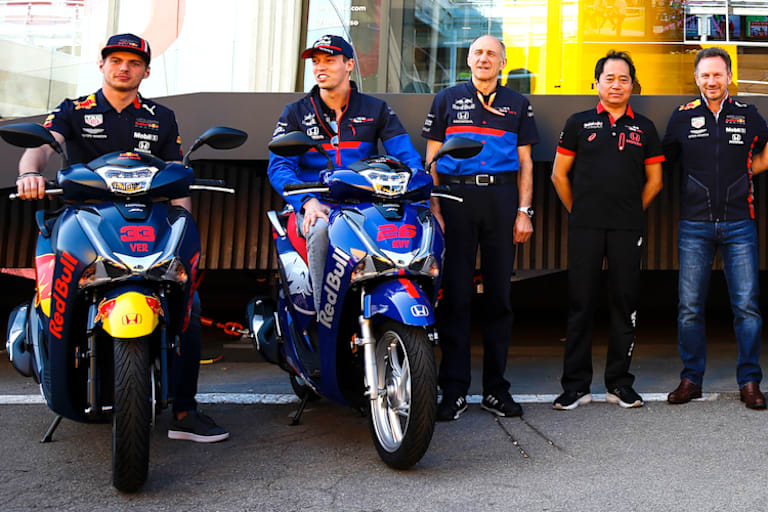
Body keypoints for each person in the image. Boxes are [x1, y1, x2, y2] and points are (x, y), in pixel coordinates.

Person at [15, 33, 229, 441]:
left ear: (145, 71)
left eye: (133, 62)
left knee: (189, 301)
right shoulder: (75, 110)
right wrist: (29, 172)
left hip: (148, 221)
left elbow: (177, 177)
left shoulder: (161, 117)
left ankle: (185, 410)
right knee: (55, 290)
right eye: (115, 60)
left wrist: (183, 225)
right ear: (102, 65)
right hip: (84, 218)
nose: (123, 67)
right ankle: (62, 382)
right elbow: (43, 147)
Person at [422, 35, 538, 421]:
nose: (484, 58)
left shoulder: (518, 104)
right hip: (455, 201)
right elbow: (432, 158)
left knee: (499, 297)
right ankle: (453, 389)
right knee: (455, 295)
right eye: (478, 53)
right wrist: (434, 205)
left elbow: (526, 163)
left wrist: (524, 212)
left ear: (503, 63)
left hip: (501, 201)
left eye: (492, 53)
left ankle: (495, 388)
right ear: (468, 60)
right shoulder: (446, 100)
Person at [267, 34, 422, 313]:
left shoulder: (376, 109)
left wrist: (420, 190)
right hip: (319, 204)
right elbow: (279, 166)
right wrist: (307, 202)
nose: (320, 68)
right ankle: (322, 318)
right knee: (321, 229)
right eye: (316, 62)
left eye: (329, 60)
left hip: (367, 203)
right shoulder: (295, 113)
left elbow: (407, 156)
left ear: (349, 65)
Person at [551, 50, 664, 410]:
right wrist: (581, 210)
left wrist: (629, 211)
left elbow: (655, 181)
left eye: (623, 78)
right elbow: (558, 175)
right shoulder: (577, 122)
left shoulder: (644, 127)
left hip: (627, 228)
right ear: (596, 83)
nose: (616, 84)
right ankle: (575, 386)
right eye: (609, 78)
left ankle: (619, 383)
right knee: (580, 304)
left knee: (624, 303)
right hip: (585, 226)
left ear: (633, 85)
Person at [663, 47, 768, 409]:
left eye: (718, 74)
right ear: (696, 78)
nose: (711, 81)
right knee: (690, 307)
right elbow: (663, 162)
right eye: (705, 75)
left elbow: (765, 149)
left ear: (729, 77)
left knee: (747, 307)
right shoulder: (681, 118)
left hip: (740, 223)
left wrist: (748, 173)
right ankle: (691, 379)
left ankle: (750, 381)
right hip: (695, 225)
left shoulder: (749, 116)